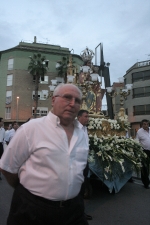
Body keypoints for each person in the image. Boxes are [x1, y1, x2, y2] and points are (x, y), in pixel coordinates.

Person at [0, 84, 89, 225]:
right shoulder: (31, 128)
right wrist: (27, 192)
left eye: (77, 100)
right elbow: (7, 168)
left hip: (74, 210)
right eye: (67, 97)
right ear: (53, 100)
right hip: (33, 210)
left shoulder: (82, 133)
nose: (72, 103)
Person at [78, 110, 92, 221]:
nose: (88, 118)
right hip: (77, 163)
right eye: (85, 116)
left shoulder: (85, 128)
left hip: (84, 161)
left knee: (82, 189)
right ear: (79, 117)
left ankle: (80, 212)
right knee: (77, 189)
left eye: (88, 116)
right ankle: (78, 214)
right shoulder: (75, 128)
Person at [136, 119, 150, 189]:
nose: (146, 125)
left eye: (147, 124)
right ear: (142, 124)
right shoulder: (139, 131)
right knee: (144, 167)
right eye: (144, 124)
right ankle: (146, 183)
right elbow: (137, 142)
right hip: (144, 151)